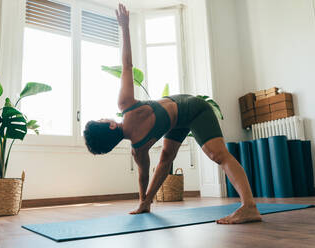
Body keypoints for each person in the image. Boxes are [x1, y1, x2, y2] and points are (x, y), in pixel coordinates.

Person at [83, 4, 262, 224]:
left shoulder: (131, 117)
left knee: (217, 154)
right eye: (102, 120)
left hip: (193, 108)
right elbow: (126, 65)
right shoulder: (136, 144)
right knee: (166, 158)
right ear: (110, 126)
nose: (105, 118)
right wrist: (144, 201)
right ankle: (148, 204)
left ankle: (249, 206)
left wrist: (125, 27)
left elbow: (143, 175)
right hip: (176, 122)